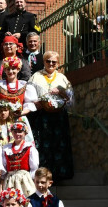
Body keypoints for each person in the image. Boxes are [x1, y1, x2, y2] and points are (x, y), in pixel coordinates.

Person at [28, 51, 74, 181]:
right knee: (43, 145)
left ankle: (60, 175)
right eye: (48, 61)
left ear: (58, 64)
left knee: (59, 144)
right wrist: (37, 102)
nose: (51, 64)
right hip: (42, 116)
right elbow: (29, 96)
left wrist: (61, 91)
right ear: (44, 62)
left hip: (59, 117)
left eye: (54, 62)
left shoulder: (62, 78)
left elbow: (71, 99)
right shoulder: (35, 77)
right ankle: (43, 176)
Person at [2, 121, 39, 196]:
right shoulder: (6, 148)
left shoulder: (30, 147)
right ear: (11, 133)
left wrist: (32, 182)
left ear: (25, 133)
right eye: (15, 132)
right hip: (10, 180)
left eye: (20, 132)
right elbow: (3, 167)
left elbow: (34, 167)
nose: (17, 134)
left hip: (25, 179)